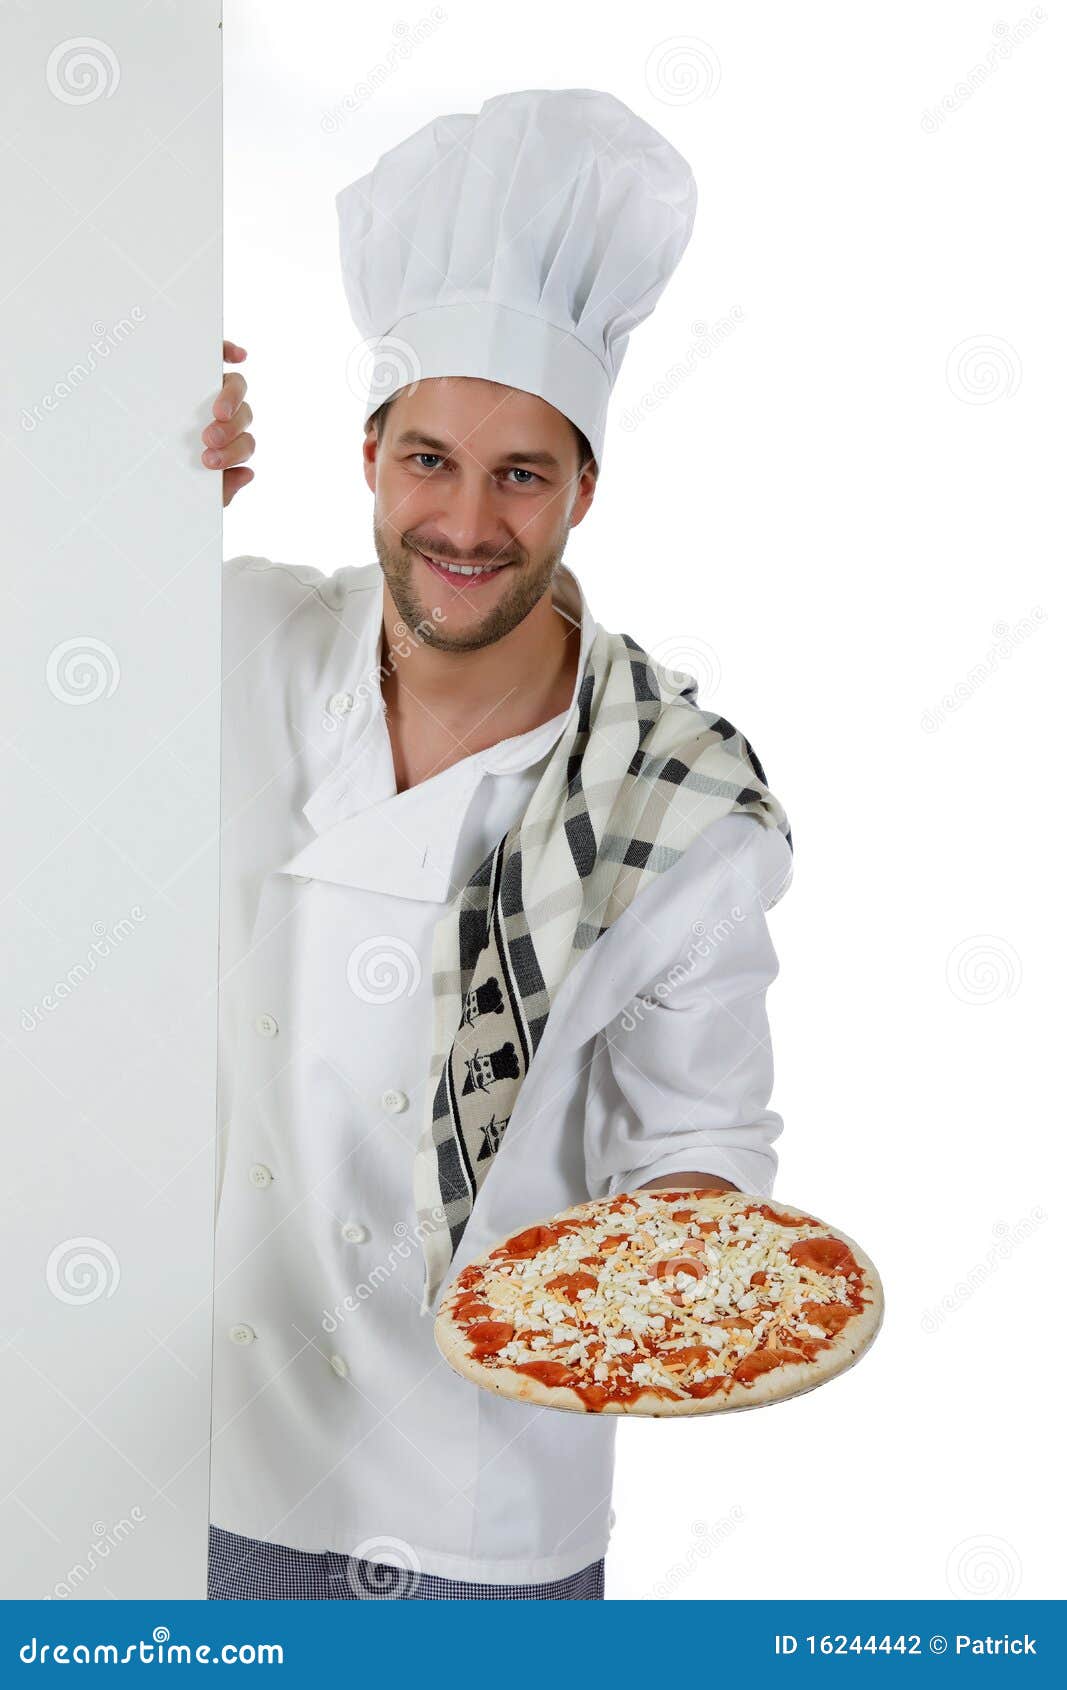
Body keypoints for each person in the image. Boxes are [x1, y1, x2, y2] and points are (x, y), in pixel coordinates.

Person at [202, 90, 794, 1601]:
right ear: (368, 459)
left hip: (483, 1519)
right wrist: (122, 479)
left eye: (520, 473)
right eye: (429, 461)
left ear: (584, 487)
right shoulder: (238, 643)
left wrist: (675, 1264)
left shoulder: (684, 807)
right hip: (196, 1466)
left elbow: (701, 1148)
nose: (464, 522)